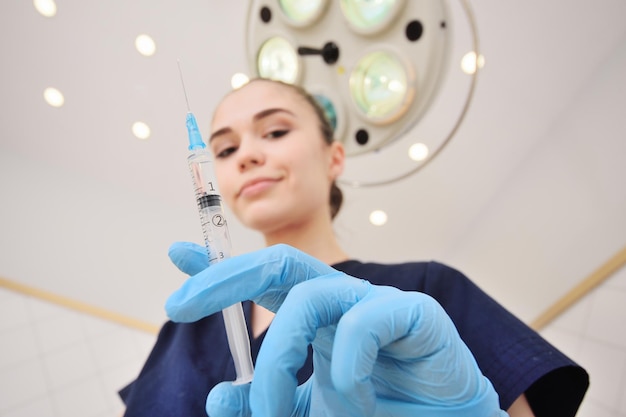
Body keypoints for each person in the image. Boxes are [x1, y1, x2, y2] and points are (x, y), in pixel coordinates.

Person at [119, 79, 589, 416]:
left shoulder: (425, 290)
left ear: (334, 157)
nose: (247, 155)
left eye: (276, 131)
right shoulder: (182, 332)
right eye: (223, 150)